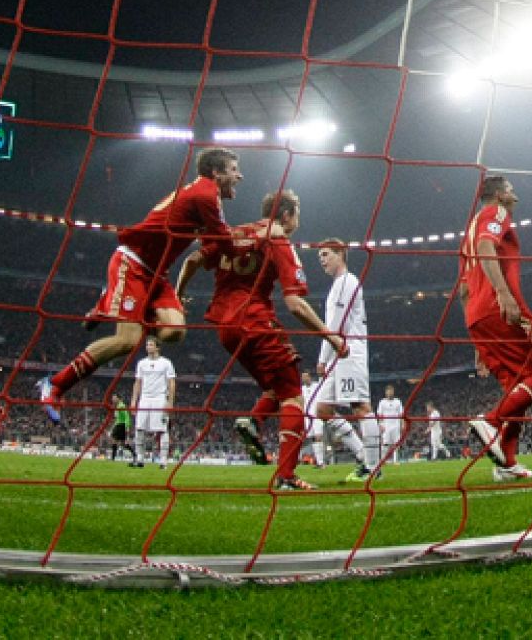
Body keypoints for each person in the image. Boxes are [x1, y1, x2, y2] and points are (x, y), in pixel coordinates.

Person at [39, 147, 241, 419]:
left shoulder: (204, 197)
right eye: (233, 170)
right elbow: (226, 244)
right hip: (132, 264)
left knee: (174, 332)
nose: (239, 176)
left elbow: (210, 247)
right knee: (127, 341)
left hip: (157, 275)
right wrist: (256, 243)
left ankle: (111, 302)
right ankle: (55, 384)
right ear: (216, 173)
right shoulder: (206, 195)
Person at [177, 189, 346, 491]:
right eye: (297, 213)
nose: (298, 220)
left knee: (275, 387)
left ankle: (253, 422)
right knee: (294, 392)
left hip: (224, 327)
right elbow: (295, 304)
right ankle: (286, 477)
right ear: (286, 214)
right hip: (255, 321)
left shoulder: (234, 232)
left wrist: (177, 296)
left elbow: (191, 260)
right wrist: (331, 337)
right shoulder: (279, 241)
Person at [460, 174, 532, 482]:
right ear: (500, 194)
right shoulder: (496, 213)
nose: (515, 195)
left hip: (478, 317)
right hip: (501, 307)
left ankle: (507, 464)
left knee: (515, 386)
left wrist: (477, 342)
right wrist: (504, 294)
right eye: (511, 189)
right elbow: (486, 244)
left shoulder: (468, 229)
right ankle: (491, 421)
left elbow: (464, 291)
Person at [313, 239, 376, 479]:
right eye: (319, 256)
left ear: (341, 254)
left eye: (326, 254)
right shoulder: (338, 285)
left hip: (349, 350)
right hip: (338, 353)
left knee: (360, 407)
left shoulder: (346, 282)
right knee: (322, 409)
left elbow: (335, 325)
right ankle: (362, 455)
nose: (322, 260)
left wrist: (322, 358)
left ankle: (372, 467)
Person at [131, 337, 176, 468]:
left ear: (157, 347)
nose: (148, 347)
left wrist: (170, 401)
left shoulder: (166, 363)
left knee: (162, 430)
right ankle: (139, 458)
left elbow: (171, 382)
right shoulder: (141, 363)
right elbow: (138, 382)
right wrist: (134, 400)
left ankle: (163, 460)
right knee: (139, 428)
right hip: (144, 399)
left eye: (151, 345)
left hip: (160, 399)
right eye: (147, 345)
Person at [302, 371, 329, 467]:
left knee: (318, 436)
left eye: (305, 377)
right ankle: (318, 461)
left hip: (317, 415)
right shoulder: (302, 389)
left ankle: (322, 462)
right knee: (313, 438)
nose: (304, 379)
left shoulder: (317, 386)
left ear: (310, 377)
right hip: (307, 417)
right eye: (303, 377)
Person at [376, 385, 405, 464]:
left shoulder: (397, 401)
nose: (390, 393)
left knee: (396, 444)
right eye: (388, 391)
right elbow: (379, 414)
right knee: (385, 444)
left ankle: (395, 461)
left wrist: (402, 424)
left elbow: (401, 414)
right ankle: (383, 460)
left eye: (391, 391)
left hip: (396, 426)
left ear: (393, 392)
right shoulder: (382, 402)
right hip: (386, 426)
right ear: (386, 392)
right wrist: (380, 424)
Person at [107, 393, 138, 465]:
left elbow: (127, 416)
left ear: (119, 398)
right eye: (113, 398)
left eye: (114, 398)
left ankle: (113, 458)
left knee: (114, 440)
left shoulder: (121, 406)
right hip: (119, 425)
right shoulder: (118, 406)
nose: (113, 399)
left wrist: (127, 426)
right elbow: (118, 417)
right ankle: (134, 454)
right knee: (122, 443)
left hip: (121, 425)